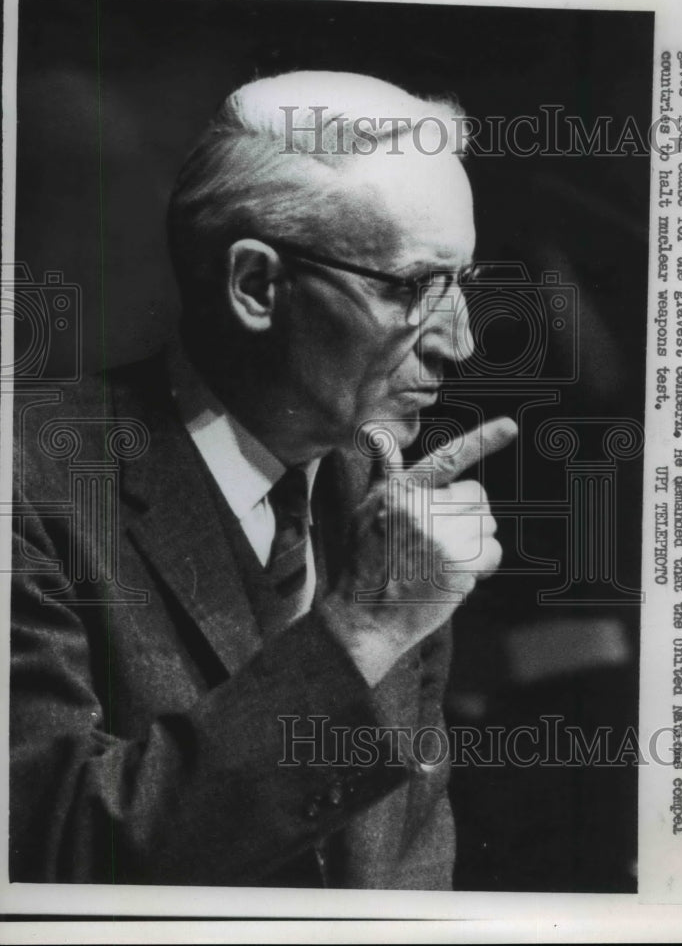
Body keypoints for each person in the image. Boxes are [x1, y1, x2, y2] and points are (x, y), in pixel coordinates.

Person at [10, 71, 516, 888]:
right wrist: (363, 632)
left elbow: (406, 877)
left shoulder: (387, 513)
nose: (456, 343)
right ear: (256, 286)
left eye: (461, 283)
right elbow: (55, 849)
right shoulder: (27, 480)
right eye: (414, 288)